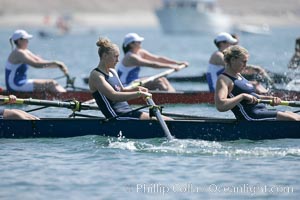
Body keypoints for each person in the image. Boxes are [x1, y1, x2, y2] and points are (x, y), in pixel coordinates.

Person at [89, 37, 171, 120]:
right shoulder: (96, 75)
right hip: (117, 116)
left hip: (128, 112)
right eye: (115, 57)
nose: (118, 60)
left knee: (169, 120)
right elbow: (113, 96)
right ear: (105, 56)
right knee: (163, 120)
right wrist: (139, 94)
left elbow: (122, 90)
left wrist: (137, 89)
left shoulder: (113, 71)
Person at [215, 45, 300, 121]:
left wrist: (270, 98)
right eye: (243, 61)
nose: (245, 65)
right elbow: (220, 105)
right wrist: (242, 96)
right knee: (292, 119)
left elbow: (254, 96)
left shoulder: (239, 76)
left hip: (262, 111)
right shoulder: (224, 79)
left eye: (246, 62)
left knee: (296, 116)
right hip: (251, 117)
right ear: (233, 60)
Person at [117, 32, 189, 92]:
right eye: (138, 42)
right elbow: (152, 64)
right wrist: (172, 67)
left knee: (163, 79)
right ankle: (173, 98)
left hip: (134, 82)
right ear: (131, 44)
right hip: (126, 86)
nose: (140, 43)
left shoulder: (141, 52)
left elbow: (158, 58)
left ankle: (174, 95)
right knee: (158, 81)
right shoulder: (130, 57)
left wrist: (177, 63)